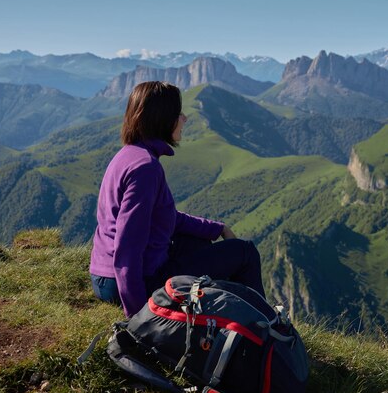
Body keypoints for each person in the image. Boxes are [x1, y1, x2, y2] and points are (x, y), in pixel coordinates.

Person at [90, 81, 265, 317]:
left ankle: (227, 312)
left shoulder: (128, 155)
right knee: (245, 253)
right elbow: (127, 247)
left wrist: (217, 228)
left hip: (104, 275)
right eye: (178, 114)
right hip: (127, 281)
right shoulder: (145, 168)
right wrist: (137, 316)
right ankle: (263, 322)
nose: (184, 119)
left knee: (198, 243)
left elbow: (164, 218)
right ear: (163, 119)